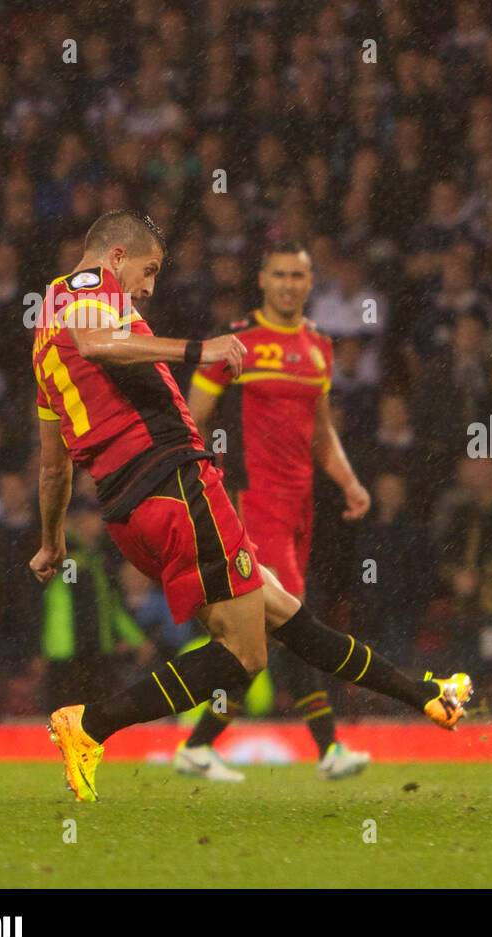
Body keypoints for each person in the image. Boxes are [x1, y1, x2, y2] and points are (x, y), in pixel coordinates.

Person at [29, 210, 471, 802]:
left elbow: (54, 466)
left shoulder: (43, 348)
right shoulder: (87, 290)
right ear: (114, 257)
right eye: (148, 270)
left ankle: (427, 696)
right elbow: (97, 341)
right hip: (174, 482)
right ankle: (91, 726)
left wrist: (52, 540)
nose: (149, 288)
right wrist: (200, 349)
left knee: (289, 620)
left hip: (128, 510)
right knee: (244, 653)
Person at [173, 241, 373, 782]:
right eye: (279, 274)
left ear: (310, 284)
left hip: (301, 507)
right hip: (256, 504)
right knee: (294, 624)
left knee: (262, 637)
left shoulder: (319, 349)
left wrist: (349, 482)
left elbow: (322, 431)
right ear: (262, 280)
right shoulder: (237, 345)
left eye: (298, 276)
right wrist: (196, 485)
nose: (288, 283)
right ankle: (330, 748)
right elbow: (193, 417)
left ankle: (199, 743)